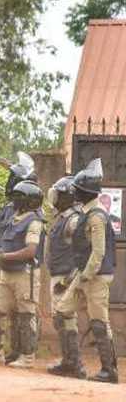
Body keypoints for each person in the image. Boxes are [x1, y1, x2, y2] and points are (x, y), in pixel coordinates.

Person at [55, 158, 119, 384]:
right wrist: (78, 276)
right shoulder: (87, 212)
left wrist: (84, 276)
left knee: (100, 322)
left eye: (78, 191)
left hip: (96, 276)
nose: (75, 194)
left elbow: (99, 253)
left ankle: (109, 370)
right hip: (85, 274)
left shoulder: (96, 216)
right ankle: (71, 363)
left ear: (86, 193)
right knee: (62, 311)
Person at [0, 180, 44, 369]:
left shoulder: (34, 222)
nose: (14, 200)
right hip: (7, 273)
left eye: (18, 198)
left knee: (26, 314)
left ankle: (27, 357)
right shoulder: (13, 217)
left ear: (27, 201)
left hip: (25, 273)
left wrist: (4, 256)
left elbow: (30, 251)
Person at [0, 151, 38, 365]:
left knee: (25, 312)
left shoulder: (34, 212)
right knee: (10, 311)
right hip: (8, 266)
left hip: (25, 268)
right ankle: (14, 351)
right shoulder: (10, 209)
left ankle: (27, 353)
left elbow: (32, 247)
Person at [44, 176, 85, 378]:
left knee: (66, 318)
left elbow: (83, 251)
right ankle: (68, 361)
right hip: (58, 274)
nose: (54, 196)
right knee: (60, 319)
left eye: (58, 193)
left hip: (65, 276)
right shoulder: (62, 217)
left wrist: (68, 280)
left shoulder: (74, 219)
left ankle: (75, 364)